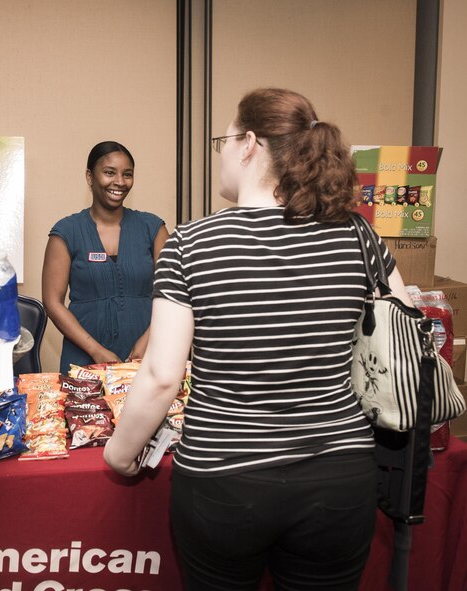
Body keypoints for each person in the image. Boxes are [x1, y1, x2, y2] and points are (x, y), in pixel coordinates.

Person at [104, 88, 414, 590]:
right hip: (338, 478)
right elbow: (404, 336)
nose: (222, 154)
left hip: (223, 480)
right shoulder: (358, 234)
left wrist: (120, 455)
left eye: (222, 140)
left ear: (248, 143)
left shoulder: (191, 242)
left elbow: (162, 376)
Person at [41, 141, 169, 374]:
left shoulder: (153, 228)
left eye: (127, 174)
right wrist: (96, 351)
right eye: (109, 172)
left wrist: (148, 340)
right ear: (90, 177)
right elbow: (53, 302)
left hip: (146, 356)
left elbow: (173, 294)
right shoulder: (67, 231)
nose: (120, 182)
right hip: (83, 359)